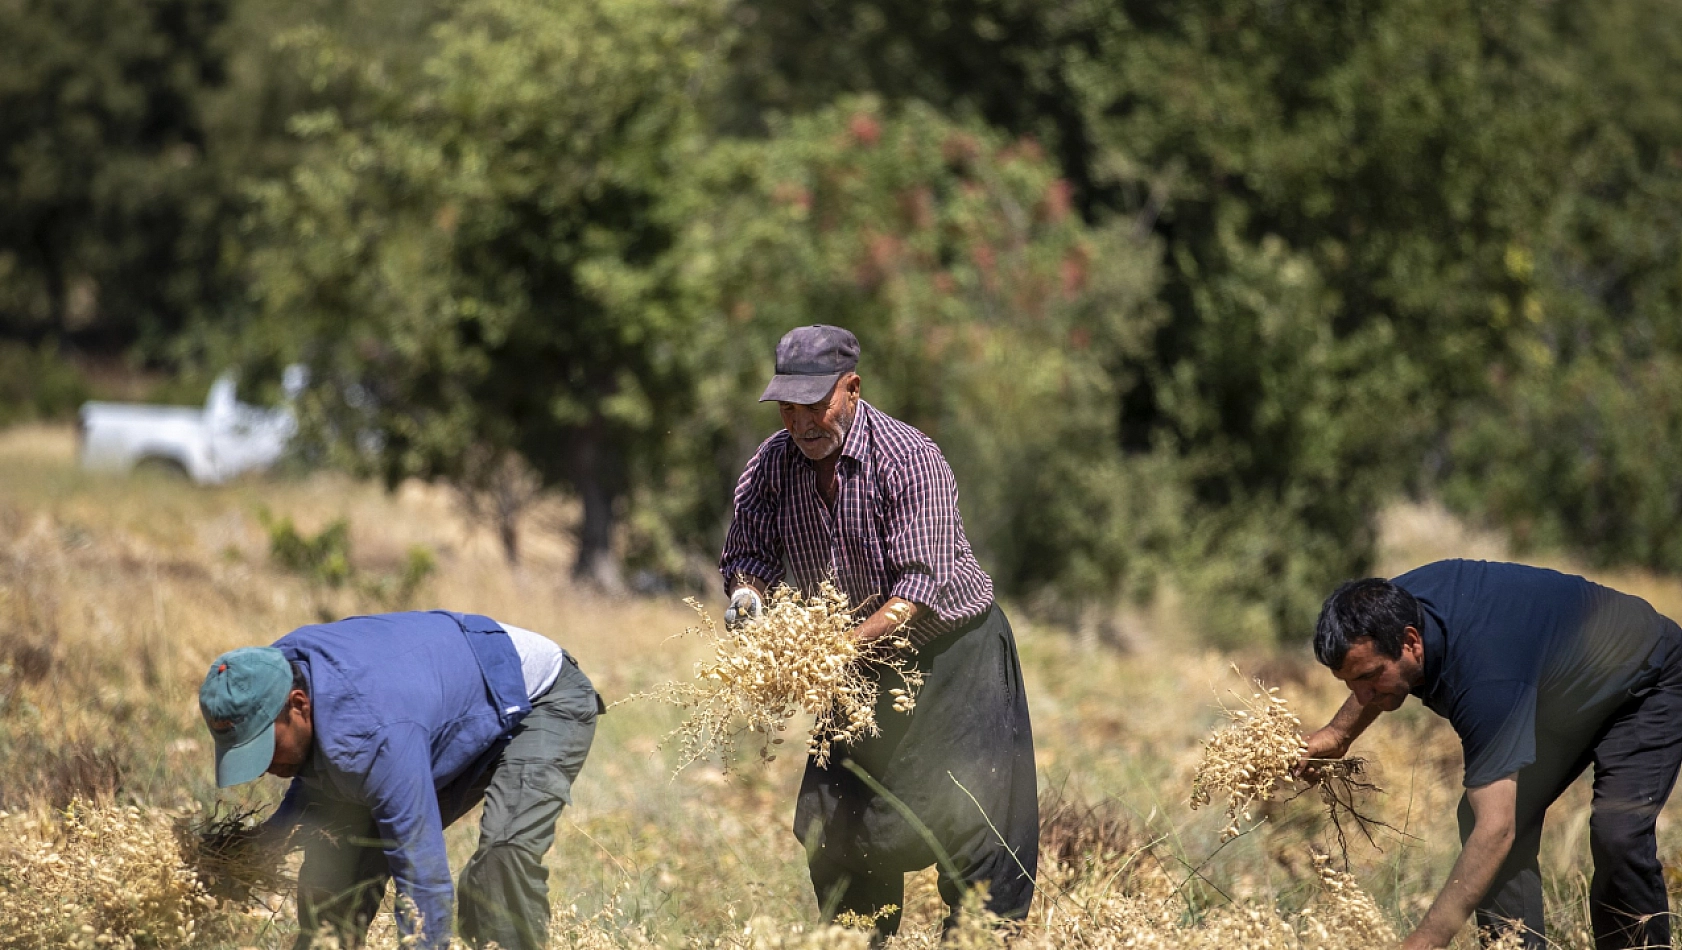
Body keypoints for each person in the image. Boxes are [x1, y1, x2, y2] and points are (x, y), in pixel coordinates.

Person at [720, 324, 1039, 941]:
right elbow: (748, 553)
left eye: (817, 405)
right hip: (857, 663)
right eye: (788, 407)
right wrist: (746, 596)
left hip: (952, 655)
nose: (802, 423)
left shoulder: (908, 458)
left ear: (853, 389)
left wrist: (835, 649)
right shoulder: (772, 464)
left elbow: (920, 587)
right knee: (836, 827)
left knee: (976, 828)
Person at [1304, 559, 1682, 949]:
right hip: (1557, 689)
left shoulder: (1485, 676)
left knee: (1617, 836)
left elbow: (1496, 829)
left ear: (1411, 642)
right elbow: (1375, 672)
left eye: (1369, 677)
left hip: (1644, 679)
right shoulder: (1382, 609)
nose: (1361, 694)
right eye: (1350, 682)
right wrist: (1338, 733)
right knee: (1484, 815)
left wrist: (1426, 940)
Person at [197, 611, 602, 950]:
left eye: (266, 748)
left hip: (539, 697)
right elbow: (321, 782)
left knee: (503, 856)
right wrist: (256, 847)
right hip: (436, 700)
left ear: (298, 706)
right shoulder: (270, 674)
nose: (265, 767)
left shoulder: (374, 730)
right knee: (337, 863)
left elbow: (422, 877)